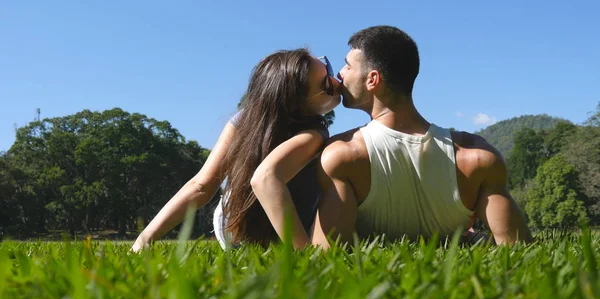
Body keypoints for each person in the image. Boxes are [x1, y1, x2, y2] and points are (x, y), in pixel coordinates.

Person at [311, 26, 533, 248]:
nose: (340, 74)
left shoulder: (342, 155)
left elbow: (328, 254)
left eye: (348, 66)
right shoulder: (477, 157)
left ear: (372, 80)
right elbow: (517, 249)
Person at [131, 48, 341, 252]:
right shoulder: (314, 133)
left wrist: (145, 238)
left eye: (328, 69)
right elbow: (265, 179)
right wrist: (303, 252)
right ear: (299, 104)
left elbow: (201, 185)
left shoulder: (245, 119)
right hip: (280, 233)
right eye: (326, 84)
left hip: (232, 227)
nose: (336, 82)